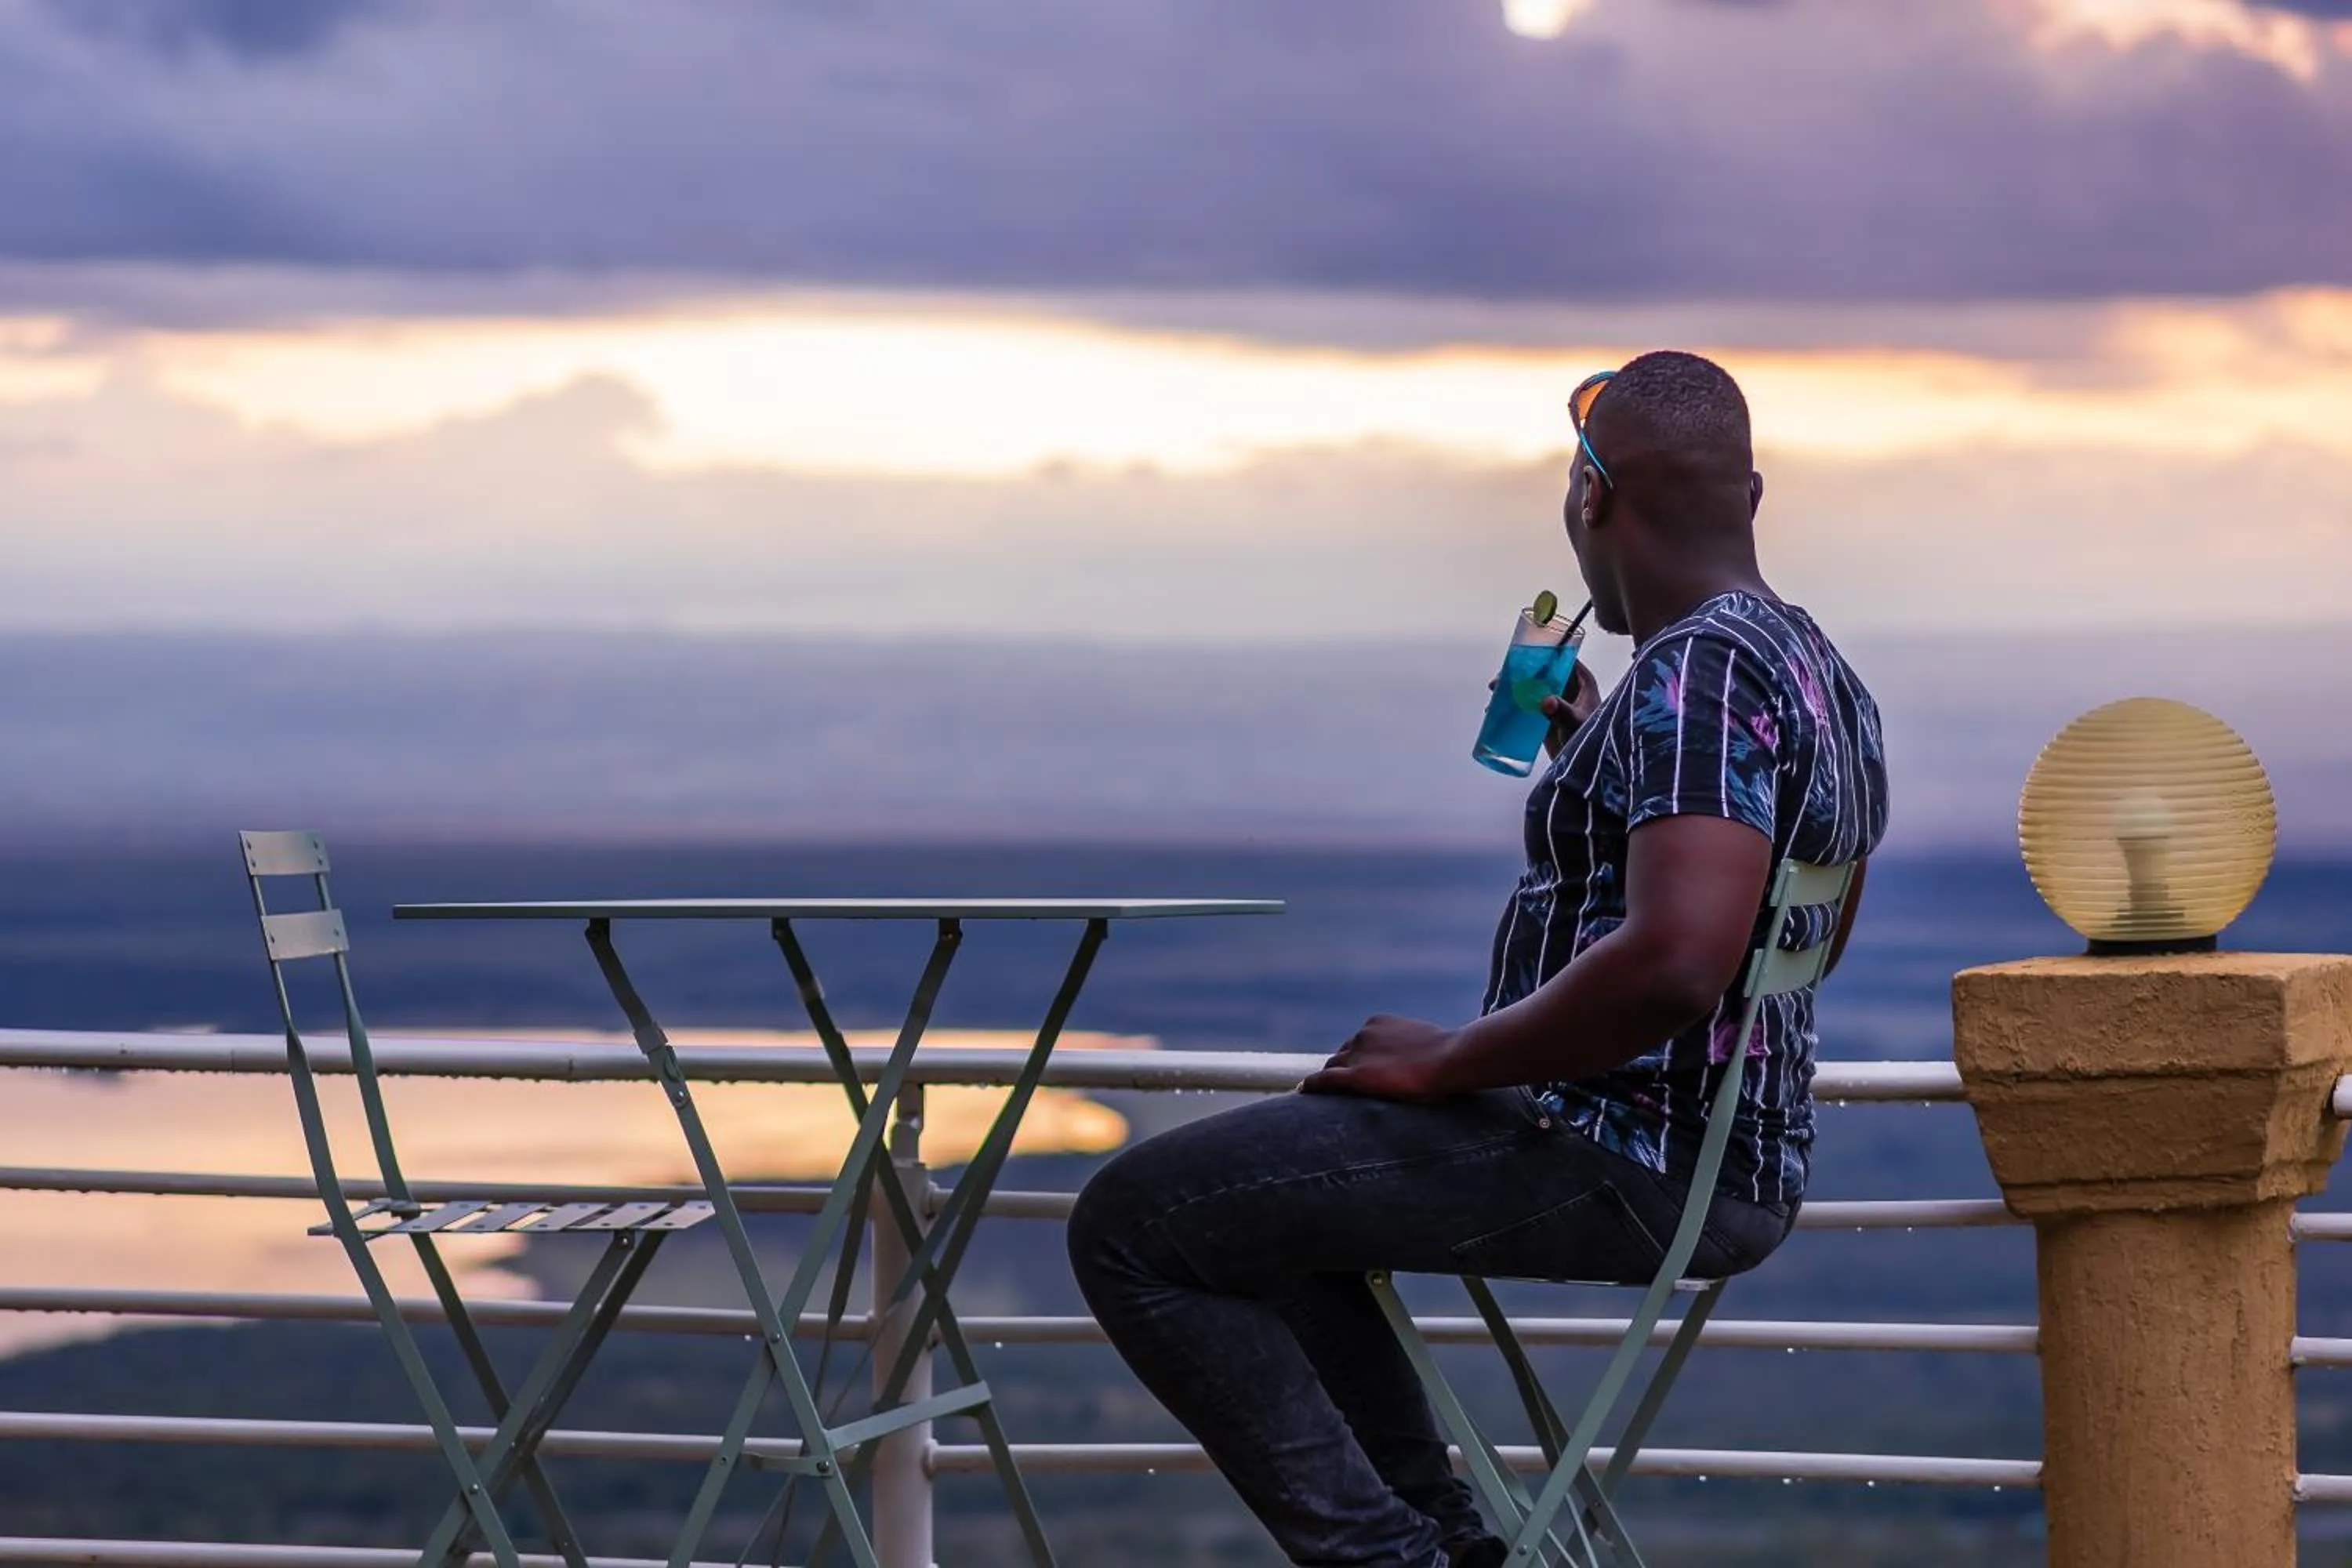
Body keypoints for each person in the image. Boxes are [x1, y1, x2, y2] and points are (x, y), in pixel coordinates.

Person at [1065, 350, 1889, 1568]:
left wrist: (1453, 1061)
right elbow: (1808, 926)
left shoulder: (1698, 680)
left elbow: (1678, 965)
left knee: (1135, 1223)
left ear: (1590, 498)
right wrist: (1607, 745)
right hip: (1727, 1150)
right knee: (1266, 1209)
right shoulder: (1817, 671)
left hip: (1628, 1151)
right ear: (1752, 499)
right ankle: (1444, 1545)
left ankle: (1394, 1560)